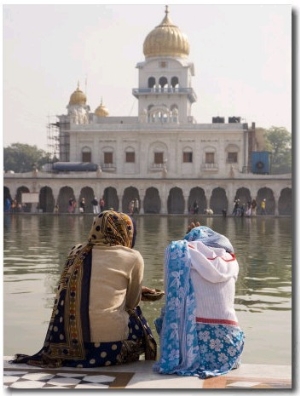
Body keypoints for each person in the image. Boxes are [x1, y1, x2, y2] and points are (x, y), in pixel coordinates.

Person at [10, 210, 157, 368]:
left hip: (68, 350)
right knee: (137, 315)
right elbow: (131, 303)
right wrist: (138, 292)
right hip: (109, 350)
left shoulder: (76, 251)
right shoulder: (133, 257)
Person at [153, 222, 245, 379]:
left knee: (164, 318)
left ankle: (179, 353)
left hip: (189, 351)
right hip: (228, 351)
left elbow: (172, 304)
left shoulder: (181, 254)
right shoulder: (231, 262)